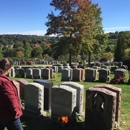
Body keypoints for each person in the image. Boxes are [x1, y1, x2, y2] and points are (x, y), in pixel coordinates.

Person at [0, 58, 23, 130]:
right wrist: (16, 111)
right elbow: (10, 98)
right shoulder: (4, 82)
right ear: (7, 69)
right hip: (9, 116)